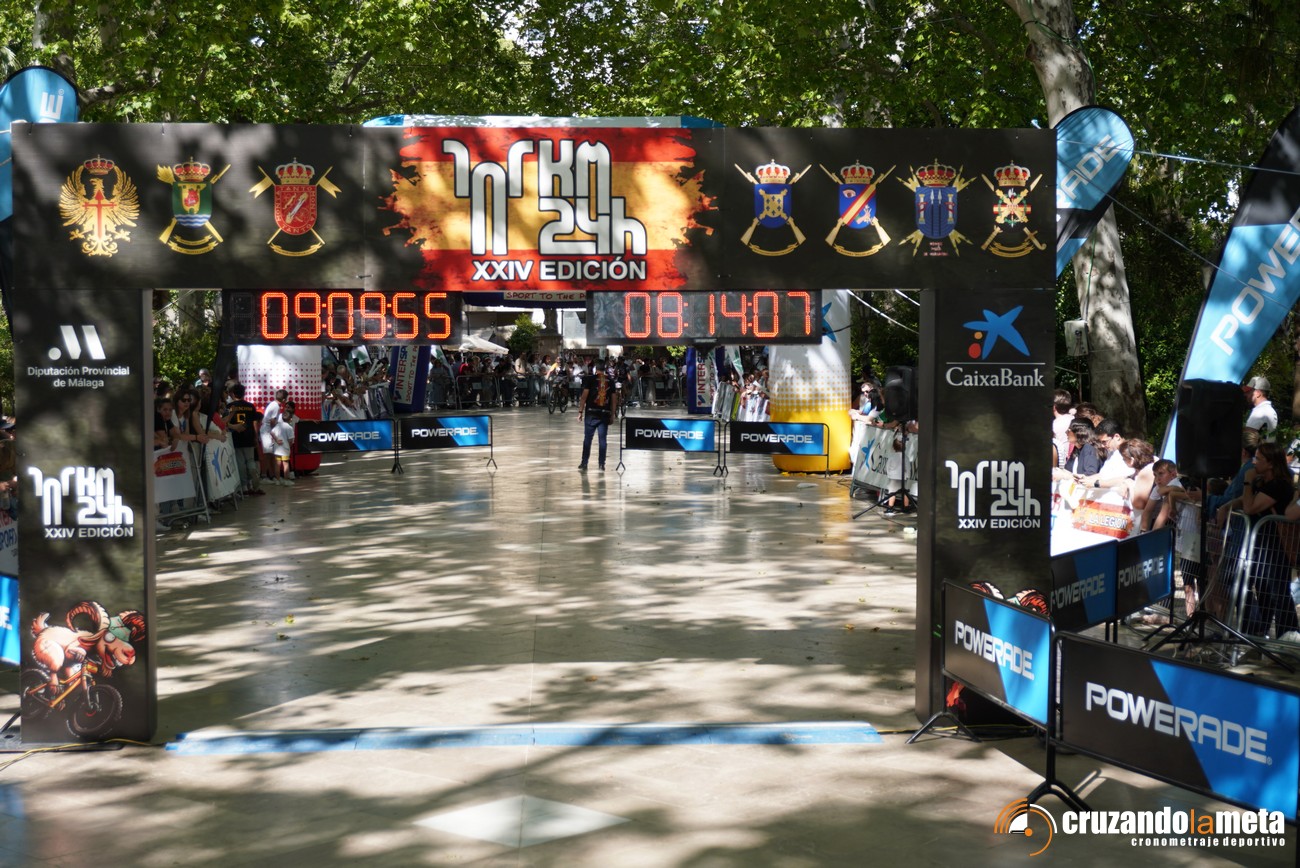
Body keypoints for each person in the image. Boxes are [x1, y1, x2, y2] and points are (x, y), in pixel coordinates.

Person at [224, 383, 264, 497]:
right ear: (244, 393)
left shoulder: (230, 406)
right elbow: (254, 422)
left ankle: (244, 487)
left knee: (240, 463)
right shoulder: (250, 406)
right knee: (250, 461)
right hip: (249, 437)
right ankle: (255, 484)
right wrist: (255, 436)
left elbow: (225, 422)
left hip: (235, 438)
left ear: (233, 394)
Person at [577, 361, 618, 471]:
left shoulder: (590, 379)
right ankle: (601, 464)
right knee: (602, 440)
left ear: (595, 368)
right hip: (604, 414)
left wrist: (580, 412)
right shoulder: (610, 381)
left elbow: (584, 397)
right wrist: (612, 415)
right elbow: (614, 400)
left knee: (587, 439)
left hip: (591, 413)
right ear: (605, 369)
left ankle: (584, 463)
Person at [270, 401, 297, 486]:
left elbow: (272, 432)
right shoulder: (289, 428)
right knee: (286, 464)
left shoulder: (277, 425)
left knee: (277, 465)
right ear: (290, 419)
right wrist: (288, 446)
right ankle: (286, 480)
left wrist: (277, 440)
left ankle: (277, 480)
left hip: (277, 449)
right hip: (285, 449)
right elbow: (290, 440)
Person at [1244, 376, 1278, 441]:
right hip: (1266, 447)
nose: (1245, 394)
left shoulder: (1260, 411)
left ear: (1258, 394)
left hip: (1258, 447)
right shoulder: (1268, 410)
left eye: (1248, 392)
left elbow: (1247, 438)